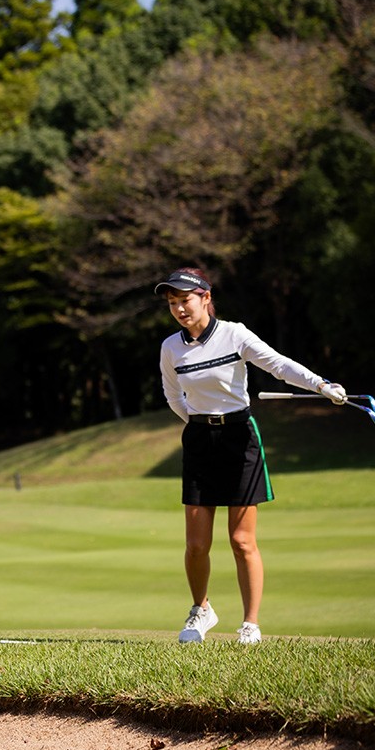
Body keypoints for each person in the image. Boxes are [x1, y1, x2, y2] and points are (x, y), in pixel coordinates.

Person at [156, 268, 346, 645]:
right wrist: (201, 423)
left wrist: (320, 384)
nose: (179, 308)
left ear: (206, 298)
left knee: (242, 541)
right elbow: (173, 395)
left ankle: (250, 624)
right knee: (196, 543)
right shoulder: (170, 348)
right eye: (172, 303)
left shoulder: (233, 333)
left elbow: (278, 364)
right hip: (198, 439)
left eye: (185, 300)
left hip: (239, 438)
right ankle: (202, 610)